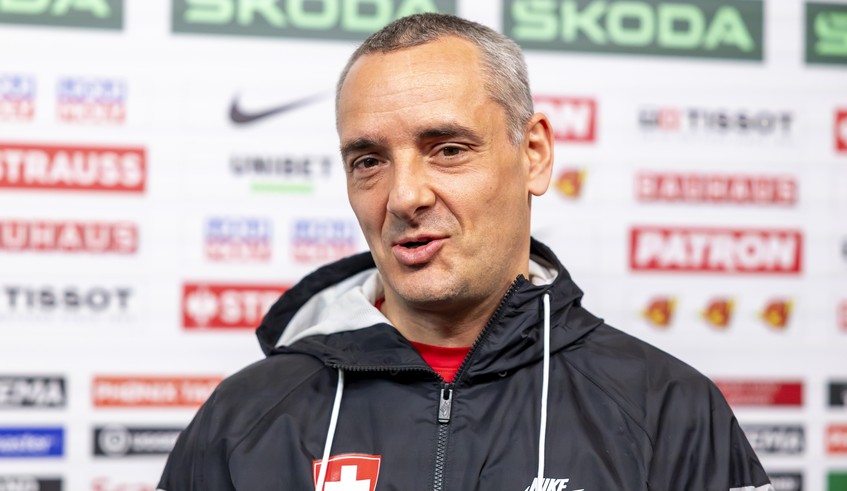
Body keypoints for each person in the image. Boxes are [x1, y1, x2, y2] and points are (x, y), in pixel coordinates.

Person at [159, 13, 773, 491]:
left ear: (533, 154)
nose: (404, 196)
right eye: (369, 161)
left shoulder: (666, 408)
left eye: (448, 149)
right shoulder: (245, 417)